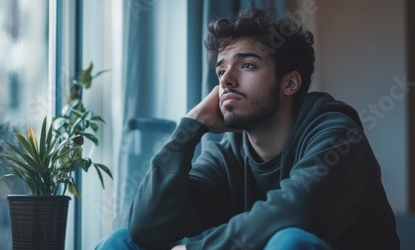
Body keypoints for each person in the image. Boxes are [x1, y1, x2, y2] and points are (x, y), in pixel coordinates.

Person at [96, 8, 400, 250]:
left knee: (289, 240)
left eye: (247, 65)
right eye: (221, 69)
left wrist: (193, 248)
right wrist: (190, 129)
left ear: (290, 83)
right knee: (121, 241)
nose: (226, 80)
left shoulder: (337, 134)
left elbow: (294, 213)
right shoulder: (225, 157)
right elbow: (147, 229)